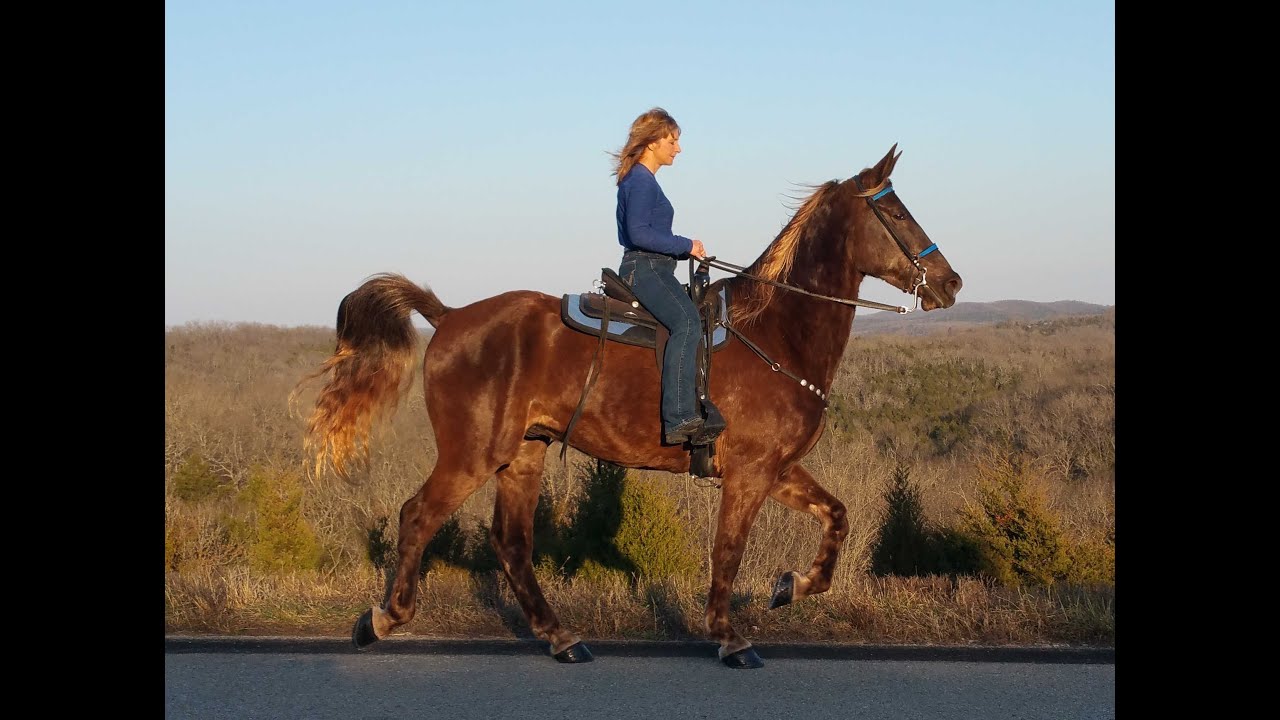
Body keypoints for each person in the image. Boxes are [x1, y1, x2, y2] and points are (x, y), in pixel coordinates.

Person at [611, 107, 717, 445]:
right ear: (654, 141)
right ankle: (680, 417)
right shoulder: (641, 181)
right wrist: (686, 244)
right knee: (687, 323)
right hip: (646, 268)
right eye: (673, 141)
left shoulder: (641, 180)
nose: (678, 148)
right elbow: (639, 233)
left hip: (654, 265)